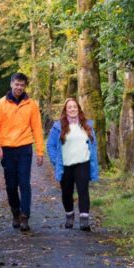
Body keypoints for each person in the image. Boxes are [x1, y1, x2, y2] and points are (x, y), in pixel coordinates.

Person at [0, 72, 44, 232]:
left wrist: (40, 151)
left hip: (25, 147)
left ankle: (25, 216)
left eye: (22, 85)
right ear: (11, 84)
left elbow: (37, 128)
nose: (19, 87)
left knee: (24, 183)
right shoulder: (1, 104)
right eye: (16, 84)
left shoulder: (31, 104)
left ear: (25, 86)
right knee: (11, 185)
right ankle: (15, 212)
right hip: (7, 149)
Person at [46, 97, 100, 231]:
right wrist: (55, 161)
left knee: (83, 191)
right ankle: (69, 215)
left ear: (78, 108)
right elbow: (50, 145)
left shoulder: (87, 125)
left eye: (74, 106)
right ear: (65, 110)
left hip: (83, 163)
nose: (72, 109)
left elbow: (93, 144)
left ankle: (84, 220)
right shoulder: (58, 127)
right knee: (67, 192)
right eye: (69, 107)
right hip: (66, 165)